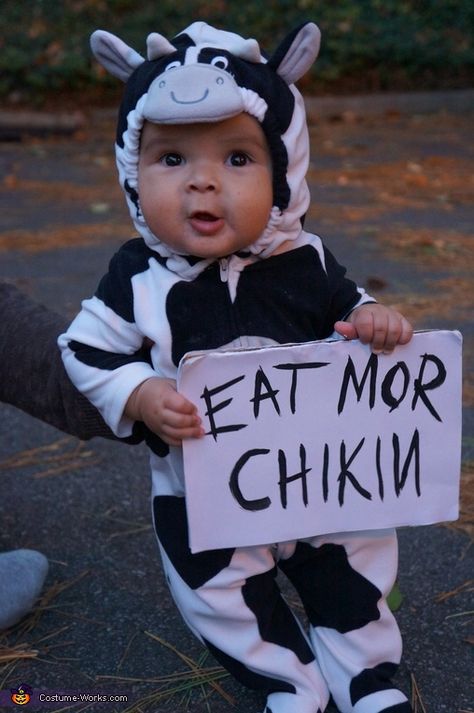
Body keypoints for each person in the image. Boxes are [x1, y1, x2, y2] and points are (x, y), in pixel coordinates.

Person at [58, 21, 414, 713]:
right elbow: (84, 347)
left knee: (353, 571)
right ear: (133, 173)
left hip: (324, 476)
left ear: (285, 169)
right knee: (223, 596)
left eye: (237, 159)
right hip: (201, 494)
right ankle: (288, 680)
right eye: (171, 160)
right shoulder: (137, 277)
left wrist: (375, 321)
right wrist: (138, 390)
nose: (203, 184)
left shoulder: (305, 260)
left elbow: (351, 308)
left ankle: (366, 676)